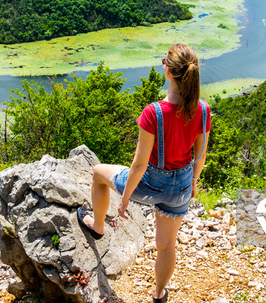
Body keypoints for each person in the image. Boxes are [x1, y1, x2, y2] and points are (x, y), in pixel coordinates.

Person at [77, 43, 211, 303]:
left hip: (150, 184)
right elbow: (200, 155)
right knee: (167, 245)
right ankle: (159, 294)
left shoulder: (154, 112)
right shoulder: (202, 109)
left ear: (169, 72)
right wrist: (193, 181)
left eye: (164, 61)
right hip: (182, 185)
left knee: (97, 173)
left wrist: (125, 198)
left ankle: (98, 226)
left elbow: (139, 165)